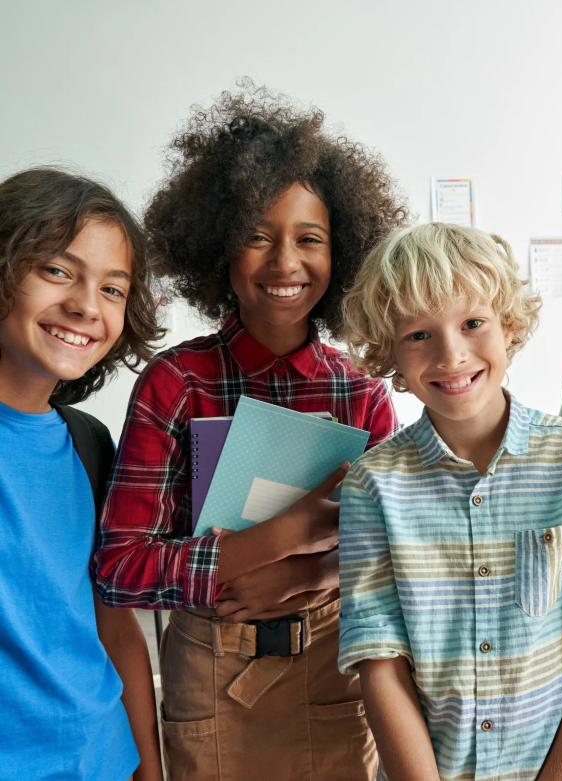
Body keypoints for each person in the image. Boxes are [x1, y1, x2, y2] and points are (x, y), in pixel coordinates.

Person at [92, 85, 407, 780]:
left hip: (334, 674)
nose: (284, 261)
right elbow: (119, 568)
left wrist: (309, 571)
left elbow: (398, 557)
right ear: (218, 250)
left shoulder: (362, 394)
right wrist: (268, 545)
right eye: (256, 235)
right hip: (212, 679)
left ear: (342, 251)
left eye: (309, 239)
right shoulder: (176, 384)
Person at [337, 222, 562, 780]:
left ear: (507, 325)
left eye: (473, 323)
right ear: (389, 351)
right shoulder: (372, 485)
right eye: (418, 335)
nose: (451, 354)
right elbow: (380, 663)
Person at [0, 167, 163, 781]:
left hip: (102, 761)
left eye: (113, 289)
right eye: (57, 271)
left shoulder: (89, 444)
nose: (85, 306)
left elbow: (116, 628)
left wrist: (148, 770)